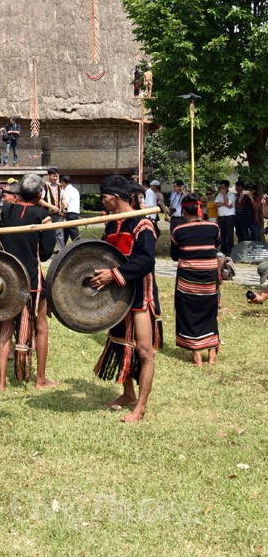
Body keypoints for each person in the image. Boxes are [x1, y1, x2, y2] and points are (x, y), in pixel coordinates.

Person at [90, 175, 162, 423]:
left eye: (105, 197)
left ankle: (140, 408)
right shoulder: (111, 224)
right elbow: (103, 253)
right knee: (121, 344)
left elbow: (146, 261)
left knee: (144, 351)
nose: (102, 202)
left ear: (117, 197)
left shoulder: (143, 225)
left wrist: (115, 274)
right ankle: (128, 394)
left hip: (140, 296)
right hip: (118, 294)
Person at [0, 176, 56, 389]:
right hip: (31, 278)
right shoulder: (42, 215)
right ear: (40, 194)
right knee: (41, 326)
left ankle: (1, 381)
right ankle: (40, 379)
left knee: (6, 325)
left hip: (7, 278)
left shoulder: (5, 211)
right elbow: (47, 252)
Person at [170, 193, 220, 366]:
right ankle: (212, 354)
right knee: (210, 313)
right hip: (209, 280)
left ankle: (196, 355)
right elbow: (216, 246)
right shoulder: (214, 228)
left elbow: (174, 256)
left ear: (184, 211)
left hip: (187, 282)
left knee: (188, 313)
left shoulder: (178, 230)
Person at [43, 167, 64, 252]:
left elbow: (62, 198)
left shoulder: (60, 186)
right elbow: (40, 200)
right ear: (49, 176)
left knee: (60, 233)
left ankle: (60, 251)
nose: (55, 178)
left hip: (59, 214)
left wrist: (64, 206)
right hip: (48, 213)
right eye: (53, 176)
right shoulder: (44, 186)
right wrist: (51, 207)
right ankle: (48, 251)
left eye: (56, 176)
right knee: (48, 233)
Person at [214, 180, 236, 256]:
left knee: (229, 235)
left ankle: (229, 251)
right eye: (220, 187)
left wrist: (224, 195)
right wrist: (225, 204)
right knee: (222, 235)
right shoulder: (218, 195)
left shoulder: (231, 195)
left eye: (223, 187)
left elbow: (228, 203)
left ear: (227, 187)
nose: (221, 189)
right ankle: (223, 250)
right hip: (221, 217)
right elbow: (216, 204)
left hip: (229, 217)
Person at [60, 174, 81, 244]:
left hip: (70, 213)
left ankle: (79, 247)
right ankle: (62, 248)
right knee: (65, 232)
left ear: (63, 182)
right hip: (75, 213)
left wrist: (60, 210)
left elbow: (65, 203)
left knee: (74, 234)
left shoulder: (67, 190)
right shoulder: (75, 189)